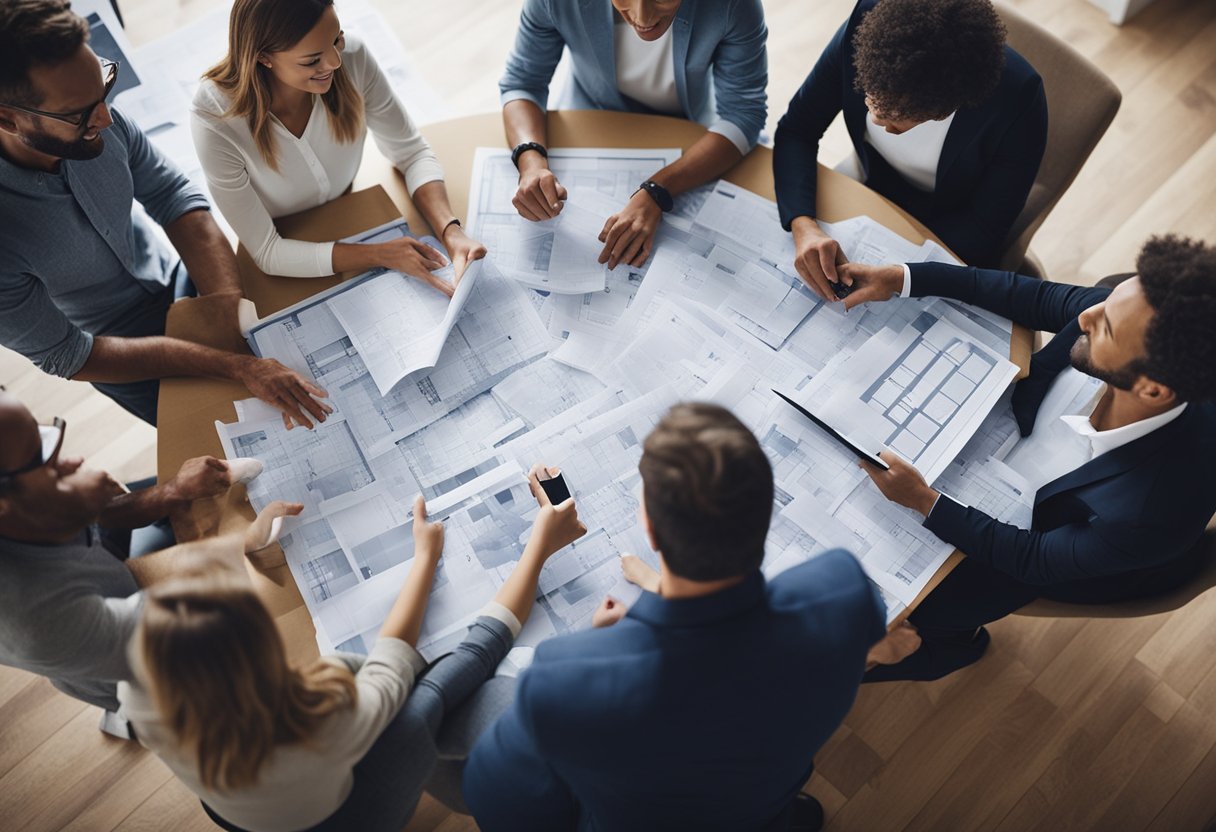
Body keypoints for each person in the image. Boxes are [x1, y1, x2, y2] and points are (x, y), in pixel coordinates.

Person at [464, 403, 887, 832]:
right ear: (763, 516)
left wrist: (606, 650)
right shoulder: (842, 590)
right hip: (765, 805)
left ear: (648, 526)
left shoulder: (563, 680)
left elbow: (496, 804)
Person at [119, 466, 588, 832]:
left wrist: (242, 542)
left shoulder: (140, 696)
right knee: (428, 706)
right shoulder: (327, 720)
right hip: (350, 816)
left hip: (239, 810)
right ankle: (460, 789)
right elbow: (474, 653)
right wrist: (537, 547)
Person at [835, 235, 1216, 681]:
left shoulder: (1150, 515)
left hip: (1025, 544)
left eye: (1106, 327)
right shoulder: (1122, 316)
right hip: (980, 450)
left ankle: (951, 648)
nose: (1086, 315)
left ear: (1152, 390)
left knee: (897, 623)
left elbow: (1032, 560)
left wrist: (925, 501)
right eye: (1107, 302)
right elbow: (1028, 295)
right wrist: (903, 278)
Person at [0, 0, 329, 427]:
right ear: (8, 118)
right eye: (79, 113)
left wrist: (224, 308)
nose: (106, 116)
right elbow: (67, 352)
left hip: (175, 275)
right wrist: (236, 365)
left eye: (103, 86)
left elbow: (172, 195)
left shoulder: (99, 114)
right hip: (113, 345)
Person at [0, 388, 297, 732]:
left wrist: (174, 498)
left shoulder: (24, 507)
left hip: (105, 588)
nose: (73, 461)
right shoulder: (38, 620)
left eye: (46, 436)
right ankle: (128, 718)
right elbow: (188, 631)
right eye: (43, 459)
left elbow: (124, 554)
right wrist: (210, 534)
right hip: (135, 661)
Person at [192, 0, 486, 290]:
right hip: (290, 243)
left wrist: (451, 231)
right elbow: (268, 251)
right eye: (312, 59)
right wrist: (381, 254)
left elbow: (412, 152)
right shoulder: (214, 117)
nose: (335, 62)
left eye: (337, 39)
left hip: (352, 209)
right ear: (264, 57)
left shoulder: (353, 57)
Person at [773, 0, 1048, 301]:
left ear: (945, 110)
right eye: (869, 100)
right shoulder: (868, 23)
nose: (877, 123)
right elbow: (797, 129)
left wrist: (900, 275)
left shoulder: (1019, 100)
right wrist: (803, 225)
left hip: (946, 228)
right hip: (870, 188)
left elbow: (982, 229)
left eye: (895, 123)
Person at [501, 0, 768, 270]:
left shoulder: (734, 5)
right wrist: (531, 160)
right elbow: (523, 81)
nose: (643, 17)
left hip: (688, 135)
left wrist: (657, 190)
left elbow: (743, 114)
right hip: (589, 124)